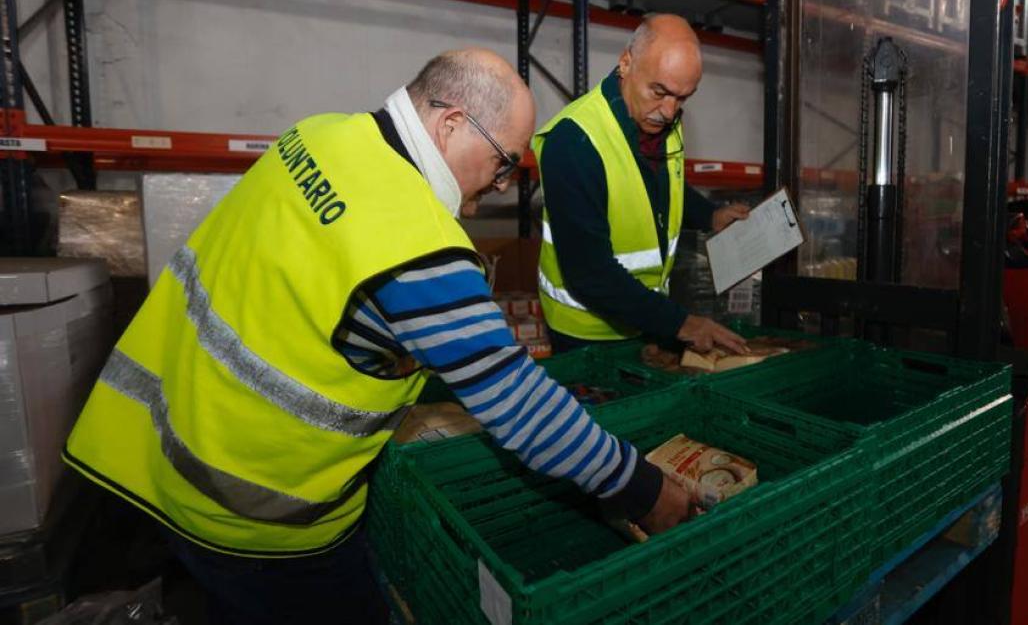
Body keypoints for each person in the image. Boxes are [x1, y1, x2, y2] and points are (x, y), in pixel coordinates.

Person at [63, 49, 697, 624]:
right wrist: (642, 489)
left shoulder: (316, 135)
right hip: (261, 513)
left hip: (167, 452)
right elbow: (522, 411)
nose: (502, 183)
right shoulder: (420, 247)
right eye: (504, 161)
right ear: (451, 124)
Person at [534, 14, 751, 355]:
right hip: (587, 333)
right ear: (626, 63)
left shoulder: (661, 122)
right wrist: (683, 323)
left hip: (644, 318)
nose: (668, 111)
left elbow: (657, 187)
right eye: (659, 91)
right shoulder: (575, 142)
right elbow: (590, 273)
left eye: (683, 98)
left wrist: (709, 216)